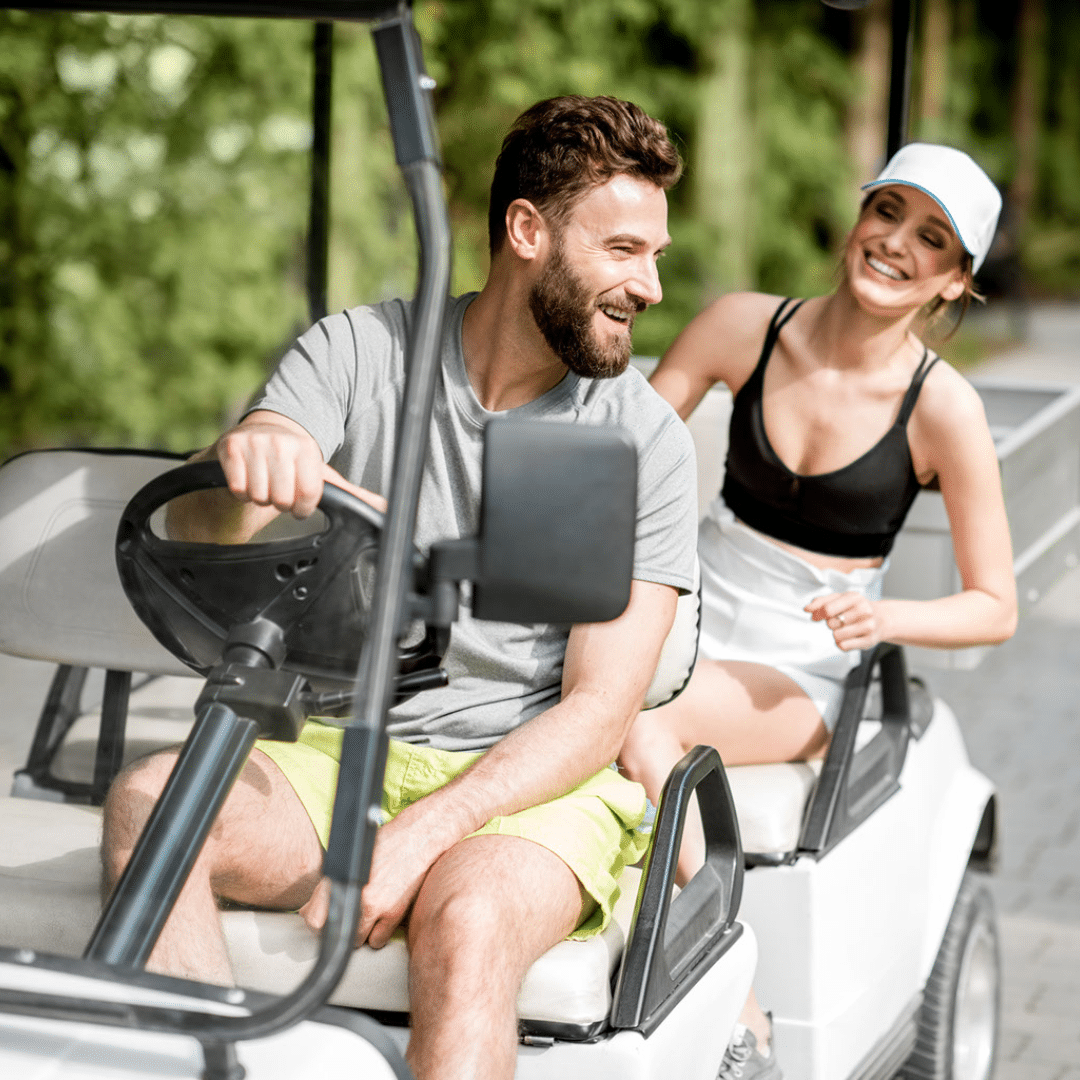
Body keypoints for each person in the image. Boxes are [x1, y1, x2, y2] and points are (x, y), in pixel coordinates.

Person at [100, 95, 698, 1080]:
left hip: (530, 785)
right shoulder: (360, 351)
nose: (651, 285)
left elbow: (598, 712)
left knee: (464, 924)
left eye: (658, 256)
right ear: (526, 231)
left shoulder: (641, 442)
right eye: (626, 249)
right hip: (343, 745)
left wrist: (420, 834)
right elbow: (212, 522)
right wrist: (253, 458)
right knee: (147, 803)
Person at [618, 143, 1018, 1080]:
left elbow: (994, 606)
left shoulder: (944, 409)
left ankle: (741, 998)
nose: (896, 245)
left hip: (807, 662)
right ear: (859, 217)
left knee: (635, 719)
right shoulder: (738, 326)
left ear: (955, 282)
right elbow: (622, 457)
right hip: (696, 612)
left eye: (932, 240)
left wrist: (889, 622)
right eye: (889, 212)